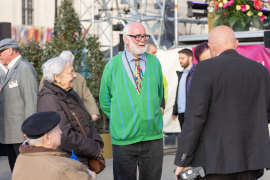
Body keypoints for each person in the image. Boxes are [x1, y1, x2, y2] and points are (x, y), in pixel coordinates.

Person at [174, 25, 270, 180]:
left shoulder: (204, 68)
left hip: (216, 160)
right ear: (236, 43)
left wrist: (183, 159)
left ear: (210, 46)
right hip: (251, 158)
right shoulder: (261, 70)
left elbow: (195, 118)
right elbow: (266, 112)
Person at [99, 22, 164, 180]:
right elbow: (105, 100)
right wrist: (120, 117)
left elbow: (160, 93)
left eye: (144, 36)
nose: (142, 40)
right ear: (126, 39)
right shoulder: (112, 65)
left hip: (152, 136)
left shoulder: (154, 62)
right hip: (124, 138)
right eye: (137, 36)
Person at [37, 57, 104, 177]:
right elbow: (64, 136)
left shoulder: (71, 93)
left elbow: (86, 123)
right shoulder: (48, 100)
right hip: (67, 163)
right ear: (57, 77)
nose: (75, 75)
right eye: (70, 72)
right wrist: (94, 149)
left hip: (80, 158)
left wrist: (97, 142)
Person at [12, 111, 95, 180]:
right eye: (58, 129)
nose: (61, 132)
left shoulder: (21, 158)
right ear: (47, 138)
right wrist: (91, 176)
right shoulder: (64, 169)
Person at [0, 38, 38, 171]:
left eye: (0, 52)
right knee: (15, 169)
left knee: (24, 170)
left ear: (10, 50)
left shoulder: (24, 68)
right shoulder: (12, 69)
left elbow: (31, 100)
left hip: (21, 132)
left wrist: (29, 129)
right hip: (11, 132)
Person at [39, 51, 100, 121]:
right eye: (63, 61)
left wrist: (93, 112)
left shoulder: (79, 78)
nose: (74, 75)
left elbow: (87, 96)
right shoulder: (47, 80)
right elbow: (42, 94)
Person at [171, 49, 194, 130]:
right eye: (179, 58)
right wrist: (175, 111)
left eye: (183, 58)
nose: (180, 61)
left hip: (191, 112)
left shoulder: (195, 73)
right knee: (184, 137)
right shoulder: (181, 74)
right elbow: (179, 93)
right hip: (181, 112)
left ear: (190, 58)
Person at [146, 42, 165, 115]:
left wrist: (162, 105)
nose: (155, 55)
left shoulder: (157, 65)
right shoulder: (137, 66)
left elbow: (160, 86)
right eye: (153, 53)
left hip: (154, 106)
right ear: (146, 52)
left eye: (156, 53)